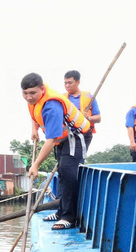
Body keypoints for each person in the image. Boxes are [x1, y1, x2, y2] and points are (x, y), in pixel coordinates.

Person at [22, 72, 92, 230]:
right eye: (25, 93)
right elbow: (34, 115)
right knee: (61, 171)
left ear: (41, 89)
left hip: (77, 135)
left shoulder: (52, 105)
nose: (29, 97)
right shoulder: (33, 99)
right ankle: (61, 212)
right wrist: (35, 130)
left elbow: (51, 140)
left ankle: (68, 217)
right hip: (63, 137)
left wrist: (35, 165)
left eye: (32, 93)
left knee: (68, 172)